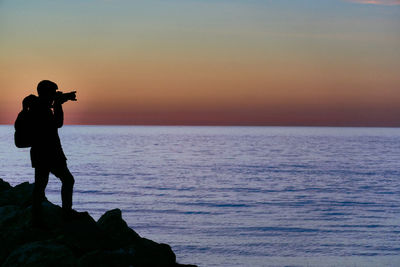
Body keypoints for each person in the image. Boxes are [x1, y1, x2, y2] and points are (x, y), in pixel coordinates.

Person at [30, 80, 79, 225]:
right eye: (52, 93)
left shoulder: (38, 106)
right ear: (45, 93)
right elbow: (57, 123)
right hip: (49, 153)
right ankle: (66, 214)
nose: (54, 95)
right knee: (67, 180)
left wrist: (62, 99)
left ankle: (37, 218)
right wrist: (58, 104)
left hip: (40, 153)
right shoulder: (42, 109)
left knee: (40, 185)